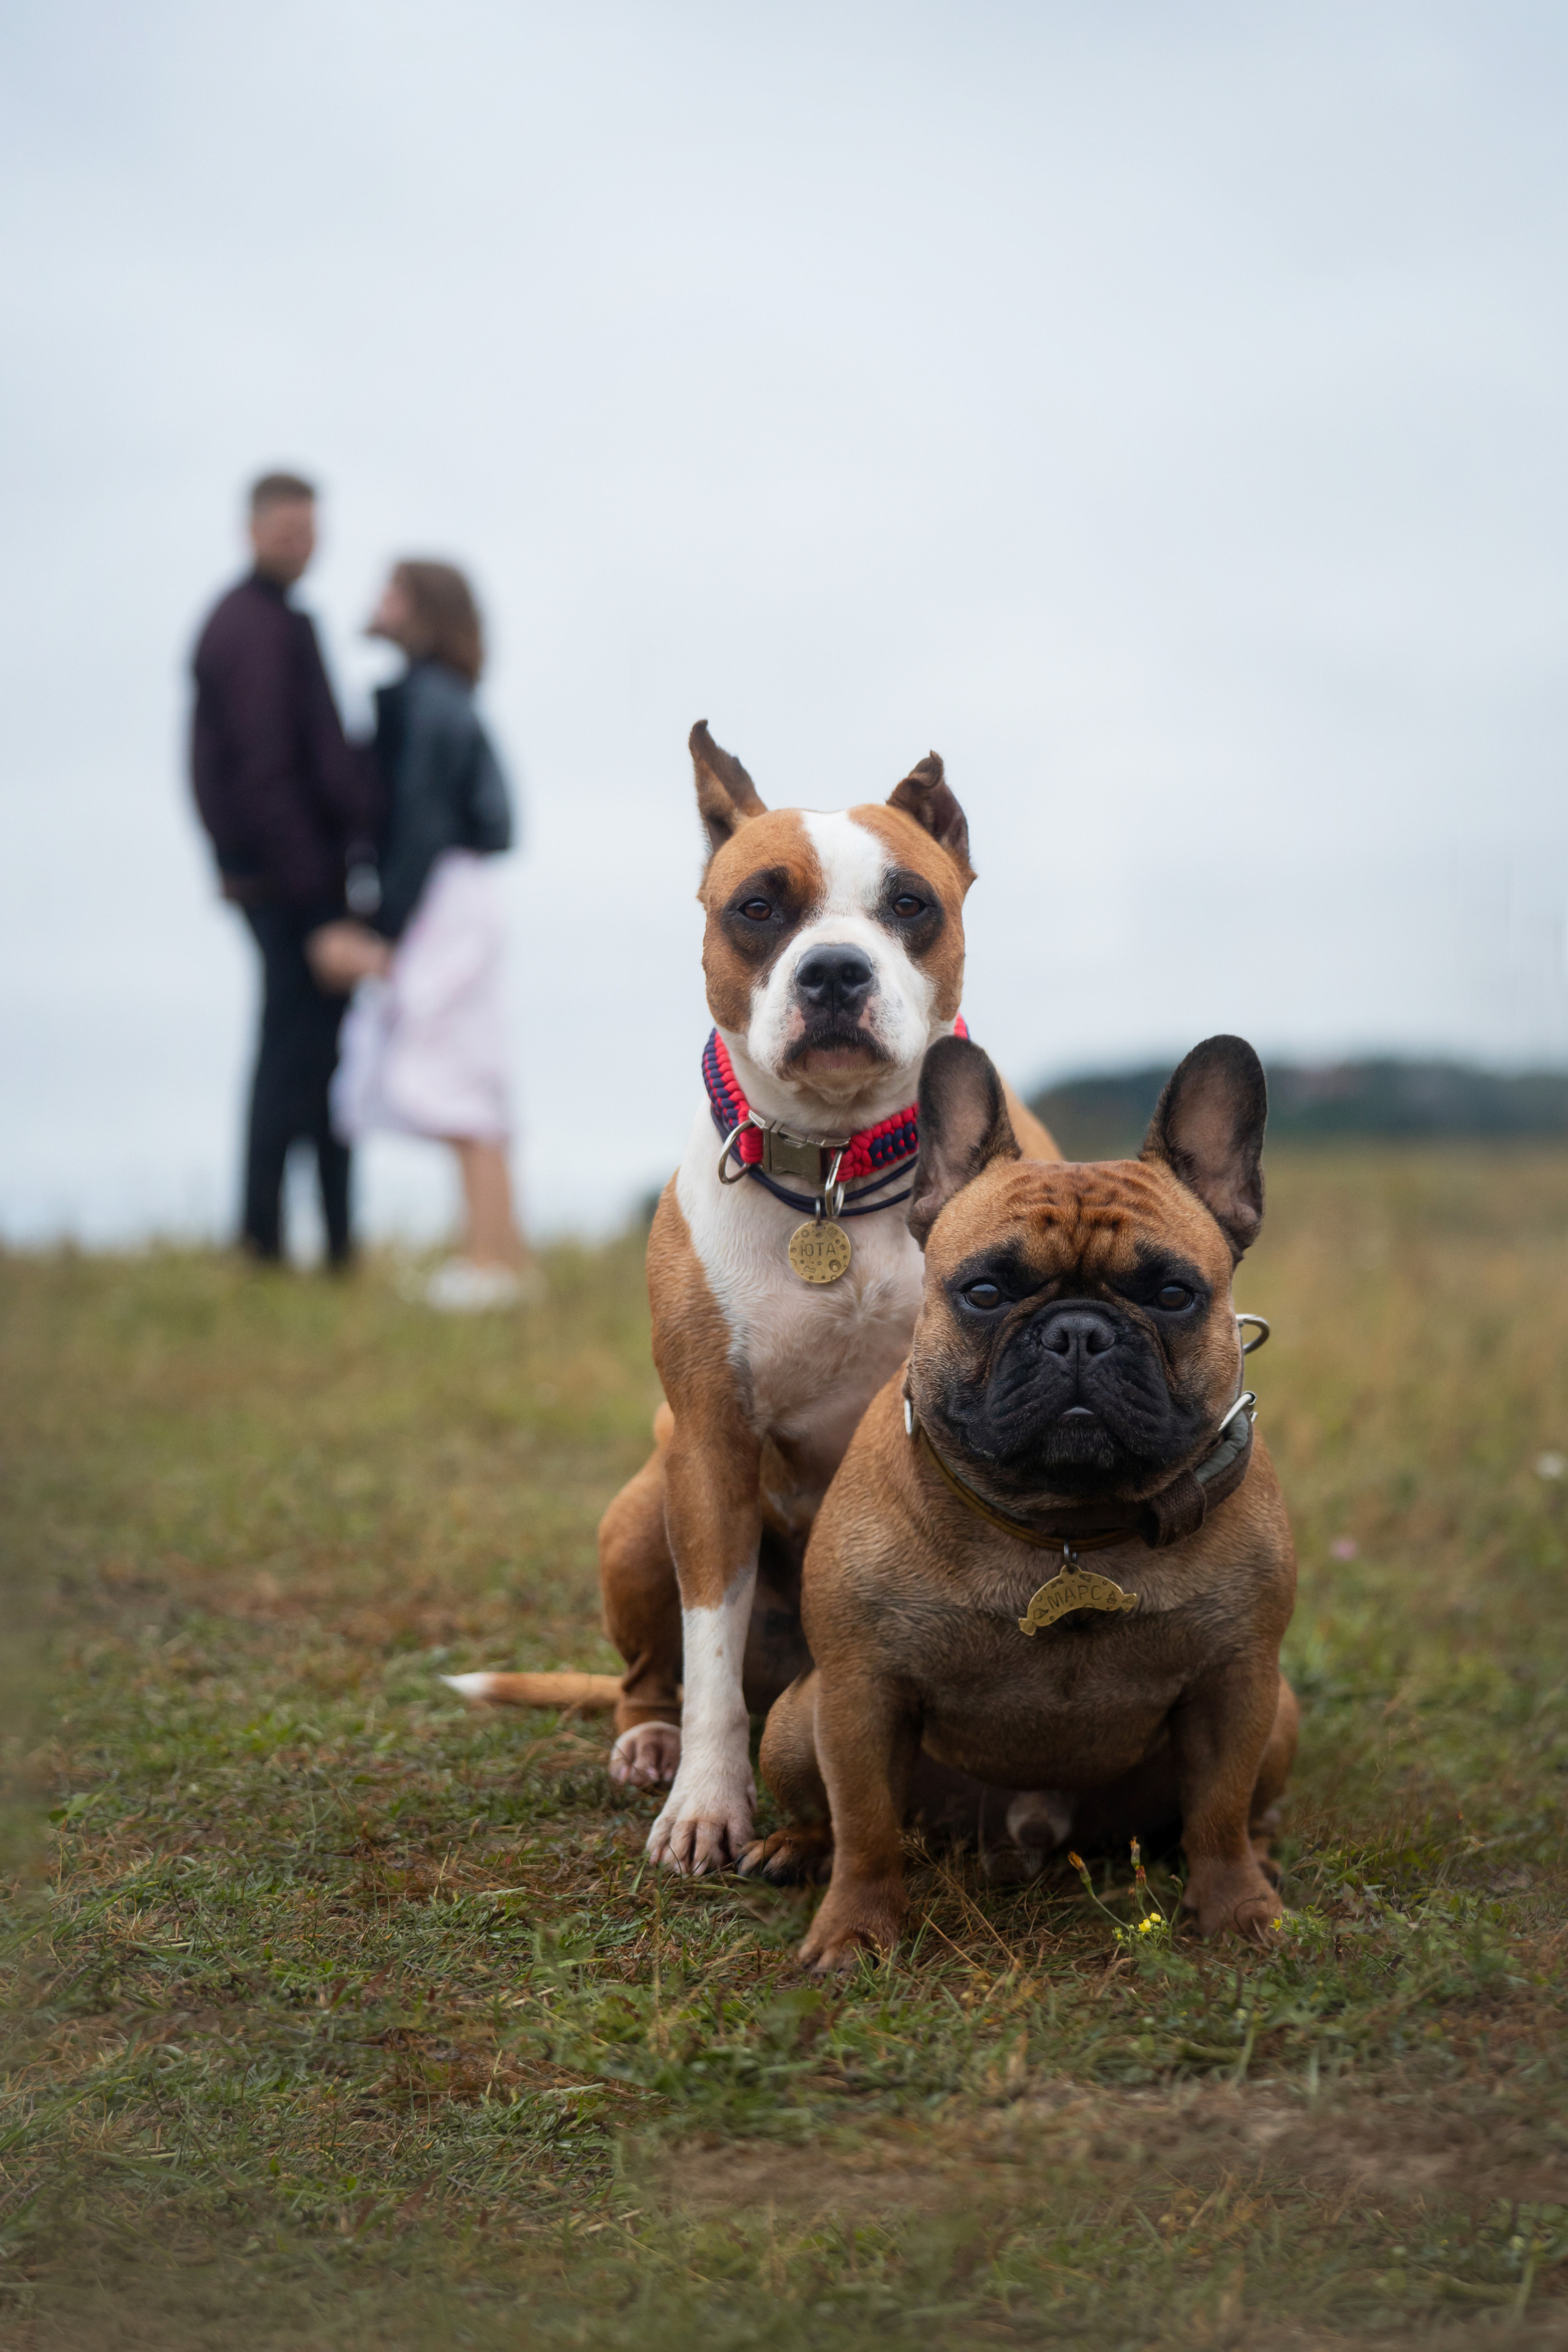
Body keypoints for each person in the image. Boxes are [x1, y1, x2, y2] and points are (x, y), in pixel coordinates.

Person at [309, 560, 538, 1311]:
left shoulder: (429, 702)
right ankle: (498, 1256)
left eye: (394, 590)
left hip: (441, 897)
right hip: (454, 892)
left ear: (422, 609)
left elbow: (421, 822)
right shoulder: (443, 697)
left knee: (458, 1075)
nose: (378, 601)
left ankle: (490, 1264)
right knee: (469, 1072)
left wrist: (382, 929)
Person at [190, 472, 377, 1267]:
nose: (302, 545)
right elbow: (267, 777)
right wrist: (321, 911)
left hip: (289, 880)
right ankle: (267, 1244)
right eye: (287, 531)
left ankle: (326, 1246)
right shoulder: (251, 629)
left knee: (317, 1061)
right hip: (291, 888)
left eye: (310, 532)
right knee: (295, 1066)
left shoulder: (273, 621)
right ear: (253, 530)